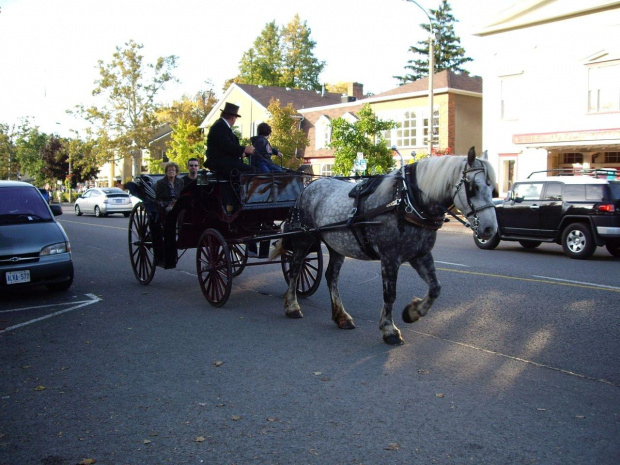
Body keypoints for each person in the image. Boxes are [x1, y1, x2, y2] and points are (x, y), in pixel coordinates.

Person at [204, 102, 255, 175]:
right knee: (252, 170)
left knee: (249, 169)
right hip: (220, 162)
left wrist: (242, 153)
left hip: (225, 161)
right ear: (233, 118)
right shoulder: (219, 126)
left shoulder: (222, 126)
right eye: (235, 118)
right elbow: (226, 145)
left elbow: (227, 147)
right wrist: (244, 149)